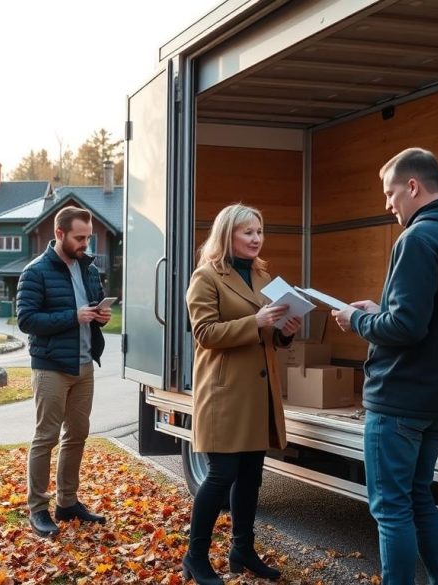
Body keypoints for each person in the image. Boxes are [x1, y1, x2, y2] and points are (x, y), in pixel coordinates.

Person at [332, 148, 438, 585]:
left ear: (413, 187)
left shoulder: (418, 238)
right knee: (419, 499)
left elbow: (406, 327)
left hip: (401, 399)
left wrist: (357, 319)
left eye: (390, 194)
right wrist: (380, 308)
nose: (388, 205)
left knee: (391, 509)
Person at [183, 203, 302, 584]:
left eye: (259, 231)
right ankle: (195, 557)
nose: (256, 239)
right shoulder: (206, 276)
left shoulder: (262, 274)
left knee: (252, 475)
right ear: (227, 234)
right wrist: (255, 321)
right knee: (221, 477)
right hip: (224, 393)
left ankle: (242, 551)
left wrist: (285, 329)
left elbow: (268, 333)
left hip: (258, 393)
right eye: (248, 232)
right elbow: (204, 334)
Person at [16, 206, 111, 538]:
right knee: (46, 438)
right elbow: (27, 320)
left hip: (84, 366)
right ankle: (38, 510)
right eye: (79, 237)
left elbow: (93, 307)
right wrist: (75, 316)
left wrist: (100, 316)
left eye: (88, 237)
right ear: (59, 234)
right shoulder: (35, 272)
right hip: (51, 368)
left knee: (77, 436)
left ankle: (67, 503)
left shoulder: (88, 269)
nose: (86, 243)